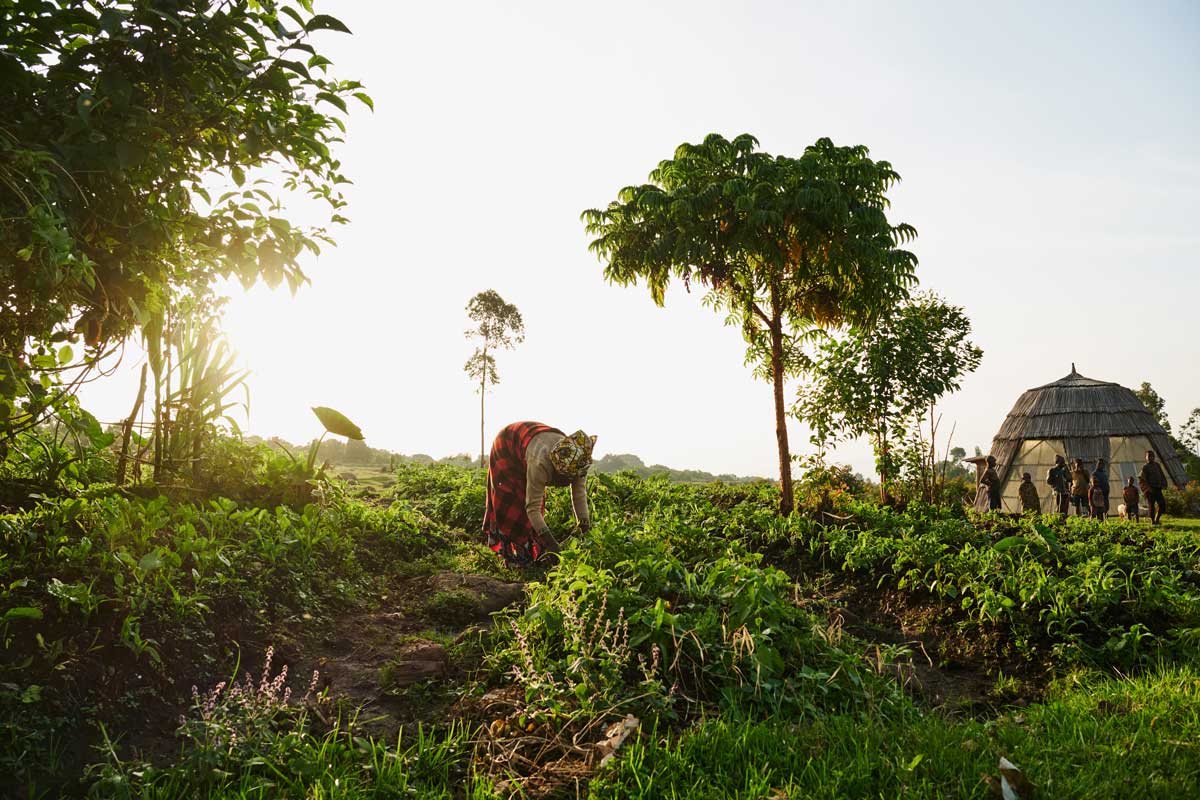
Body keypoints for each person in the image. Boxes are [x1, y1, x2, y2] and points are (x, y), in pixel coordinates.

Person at [482, 422, 595, 566]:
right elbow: (532, 508)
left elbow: (579, 495)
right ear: (556, 472)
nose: (565, 485)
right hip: (507, 443)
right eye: (564, 481)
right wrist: (552, 544)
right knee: (513, 504)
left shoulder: (578, 463)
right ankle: (512, 557)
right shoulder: (541, 463)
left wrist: (585, 528)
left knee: (533, 505)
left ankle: (532, 553)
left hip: (531, 443)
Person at [1140, 450, 1168, 525]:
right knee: (1151, 506)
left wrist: (1164, 483)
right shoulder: (1145, 467)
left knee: (1162, 504)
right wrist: (1147, 489)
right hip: (1150, 490)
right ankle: (1153, 521)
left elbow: (1161, 475)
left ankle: (1157, 518)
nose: (1150, 457)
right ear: (1146, 457)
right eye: (1148, 456)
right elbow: (1142, 479)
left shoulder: (1157, 465)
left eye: (1152, 456)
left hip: (1158, 488)